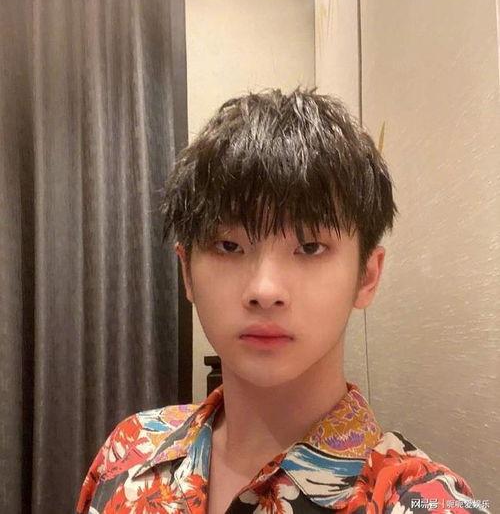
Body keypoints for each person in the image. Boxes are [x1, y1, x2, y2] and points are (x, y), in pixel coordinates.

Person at [76, 89, 490, 513]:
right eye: (229, 246)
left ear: (367, 276)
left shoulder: (423, 501)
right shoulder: (128, 452)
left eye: (310, 247)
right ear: (187, 273)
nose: (265, 290)